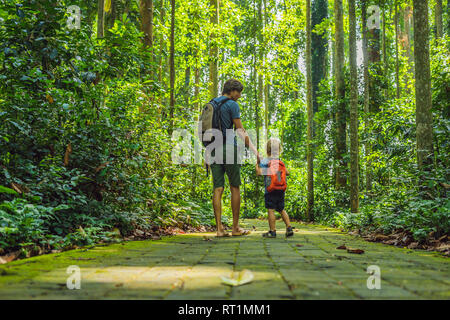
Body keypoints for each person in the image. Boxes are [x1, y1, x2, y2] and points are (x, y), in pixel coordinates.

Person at [209, 79, 260, 237]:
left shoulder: (211, 104)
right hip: (228, 148)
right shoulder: (232, 104)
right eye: (238, 93)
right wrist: (255, 151)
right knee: (234, 187)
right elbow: (239, 130)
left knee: (217, 188)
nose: (239, 96)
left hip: (212, 149)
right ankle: (235, 228)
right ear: (231, 91)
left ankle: (219, 229)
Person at [256, 138, 294, 238]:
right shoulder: (279, 161)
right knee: (281, 209)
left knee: (271, 210)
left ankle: (272, 231)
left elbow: (259, 173)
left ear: (267, 149)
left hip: (270, 190)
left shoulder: (265, 161)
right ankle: (289, 227)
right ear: (279, 149)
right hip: (281, 190)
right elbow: (287, 173)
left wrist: (257, 165)